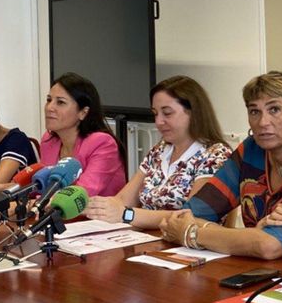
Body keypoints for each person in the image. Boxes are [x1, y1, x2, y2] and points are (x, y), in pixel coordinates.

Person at [158, 71, 282, 259]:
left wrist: (193, 233)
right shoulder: (251, 149)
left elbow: (271, 246)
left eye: (274, 109)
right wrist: (253, 236)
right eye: (254, 111)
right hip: (263, 267)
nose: (263, 122)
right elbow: (181, 217)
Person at [84, 76, 232, 228]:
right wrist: (99, 206)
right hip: (145, 237)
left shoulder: (215, 155)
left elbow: (189, 216)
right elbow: (123, 200)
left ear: (194, 113)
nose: (159, 122)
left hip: (184, 240)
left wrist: (127, 214)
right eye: (155, 114)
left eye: (167, 113)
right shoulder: (159, 150)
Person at [38, 72, 126, 197]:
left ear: (83, 112)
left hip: (93, 209)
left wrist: (39, 202)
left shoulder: (102, 143)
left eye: (60, 102)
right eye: (49, 100)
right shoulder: (49, 140)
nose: (49, 107)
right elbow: (42, 186)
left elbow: (83, 192)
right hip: (54, 208)